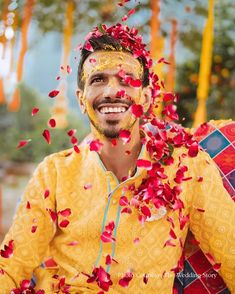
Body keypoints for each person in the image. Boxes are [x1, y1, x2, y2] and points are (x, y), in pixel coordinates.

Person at [0, 23, 234, 294]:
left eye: (126, 80)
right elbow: (11, 266)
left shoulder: (187, 166)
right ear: (81, 98)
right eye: (98, 79)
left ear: (146, 98)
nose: (112, 91)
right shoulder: (53, 173)